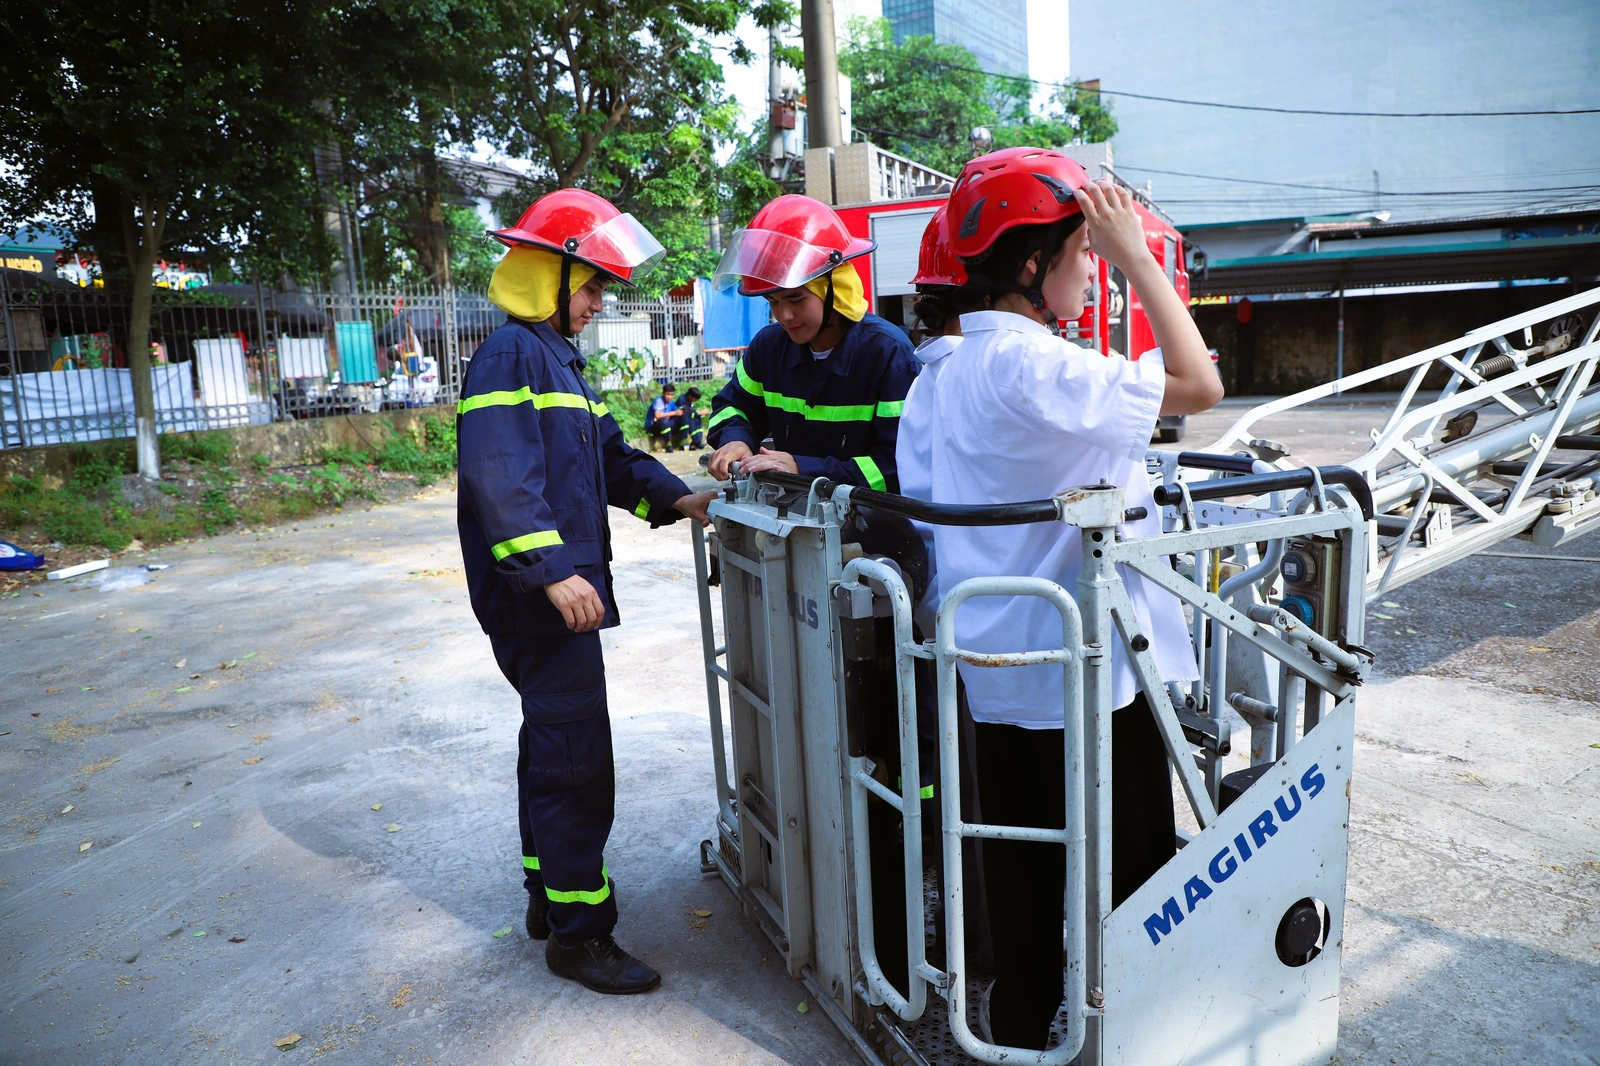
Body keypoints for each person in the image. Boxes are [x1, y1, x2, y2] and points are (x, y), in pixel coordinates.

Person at [895, 148, 1223, 1050]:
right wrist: (1140, 259)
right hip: (1087, 677)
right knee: (1139, 878)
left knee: (1024, 883)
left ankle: (1019, 1039)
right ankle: (1146, 1038)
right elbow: (1201, 385)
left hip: (997, 668)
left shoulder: (942, 375)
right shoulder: (1036, 368)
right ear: (1034, 267)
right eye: (1083, 253)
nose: (1091, 270)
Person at [456, 188, 715, 996]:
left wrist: (678, 496)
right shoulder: (512, 356)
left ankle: (546, 896)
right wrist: (553, 572)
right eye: (593, 284)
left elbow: (606, 456)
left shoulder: (554, 358)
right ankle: (579, 933)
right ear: (549, 271)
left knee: (551, 746)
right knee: (575, 761)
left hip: (545, 596)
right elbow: (498, 478)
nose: (601, 301)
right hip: (538, 600)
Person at [705, 194, 919, 493]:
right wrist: (736, 439)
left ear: (836, 287)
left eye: (796, 299)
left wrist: (805, 470)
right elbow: (730, 406)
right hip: (795, 517)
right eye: (773, 302)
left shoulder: (888, 355)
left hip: (874, 527)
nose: (785, 315)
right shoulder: (768, 348)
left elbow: (900, 465)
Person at [645, 382, 684, 450]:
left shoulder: (671, 403)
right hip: (654, 426)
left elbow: (678, 412)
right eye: (668, 394)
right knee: (664, 420)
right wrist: (674, 413)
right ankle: (668, 444)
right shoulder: (659, 401)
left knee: (682, 418)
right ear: (663, 394)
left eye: (671, 395)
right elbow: (658, 415)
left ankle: (683, 442)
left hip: (665, 426)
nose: (669, 397)